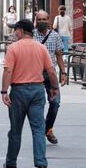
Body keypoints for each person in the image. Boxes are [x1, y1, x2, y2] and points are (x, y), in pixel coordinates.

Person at [1, 19, 58, 168]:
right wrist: (55, 88)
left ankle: (11, 163)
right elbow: (51, 70)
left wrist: (4, 91)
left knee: (15, 130)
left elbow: (8, 70)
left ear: (21, 30)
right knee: (38, 129)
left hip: (18, 91)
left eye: (15, 30)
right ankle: (40, 162)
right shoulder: (41, 48)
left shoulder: (13, 48)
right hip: (37, 91)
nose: (14, 32)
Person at [34, 10, 67, 144]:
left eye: (44, 19)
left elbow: (59, 55)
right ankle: (42, 129)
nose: (42, 21)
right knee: (38, 104)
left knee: (55, 103)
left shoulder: (55, 36)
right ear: (36, 20)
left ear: (48, 20)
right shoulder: (30, 35)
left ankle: (48, 128)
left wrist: (63, 73)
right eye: (39, 19)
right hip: (35, 75)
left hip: (50, 75)